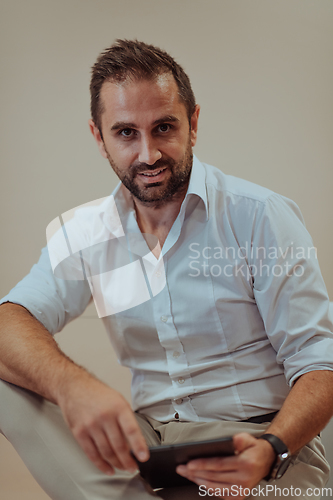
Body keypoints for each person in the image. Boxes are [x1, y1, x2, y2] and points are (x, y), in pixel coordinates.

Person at [0, 39, 333, 500]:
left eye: (163, 127)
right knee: (8, 378)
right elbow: (9, 321)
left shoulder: (260, 215)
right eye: (125, 133)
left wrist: (271, 448)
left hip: (255, 446)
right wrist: (71, 385)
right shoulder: (87, 231)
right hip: (149, 447)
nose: (148, 155)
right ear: (99, 138)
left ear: (193, 123)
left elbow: (321, 362)